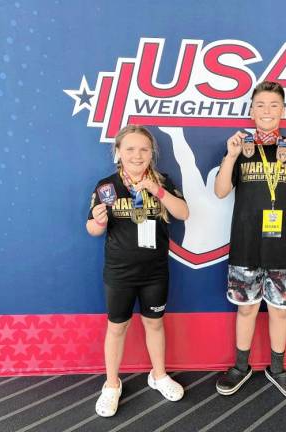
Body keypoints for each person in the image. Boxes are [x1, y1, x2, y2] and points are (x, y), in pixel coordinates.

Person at [214, 81, 286, 400]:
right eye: (260, 105)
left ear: (283, 111)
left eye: (274, 105)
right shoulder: (239, 148)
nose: (267, 111)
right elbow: (221, 190)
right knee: (246, 310)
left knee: (279, 312)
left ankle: (277, 369)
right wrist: (231, 156)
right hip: (246, 246)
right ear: (251, 111)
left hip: (282, 249)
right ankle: (240, 366)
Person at [86, 125, 189, 417]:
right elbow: (91, 229)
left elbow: (183, 213)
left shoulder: (162, 180)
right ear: (118, 153)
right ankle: (111, 384)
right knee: (116, 327)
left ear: (152, 153)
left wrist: (156, 190)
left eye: (144, 149)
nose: (137, 154)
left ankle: (158, 375)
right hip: (119, 272)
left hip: (155, 271)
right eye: (130, 149)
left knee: (154, 323)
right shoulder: (106, 186)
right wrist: (99, 220)